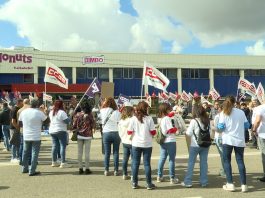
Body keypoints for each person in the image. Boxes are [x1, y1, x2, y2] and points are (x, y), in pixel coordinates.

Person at [217, 96, 249, 192]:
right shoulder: (241, 112)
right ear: (235, 102)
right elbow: (247, 126)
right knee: (240, 161)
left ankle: (230, 183)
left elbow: (220, 128)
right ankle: (244, 185)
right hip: (239, 140)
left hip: (227, 140)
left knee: (227, 161)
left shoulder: (223, 113)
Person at [127, 101, 156, 190]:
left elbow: (129, 132)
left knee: (135, 163)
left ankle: (134, 183)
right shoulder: (149, 119)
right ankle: (149, 183)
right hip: (147, 144)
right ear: (145, 108)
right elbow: (153, 132)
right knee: (147, 164)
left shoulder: (133, 119)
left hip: (136, 143)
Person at [182, 104, 210, 188]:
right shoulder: (207, 120)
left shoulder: (194, 121)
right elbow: (211, 132)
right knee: (204, 163)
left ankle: (188, 182)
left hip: (195, 144)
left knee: (191, 163)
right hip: (205, 144)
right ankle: (204, 181)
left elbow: (188, 133)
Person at [19, 99, 47, 176]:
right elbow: (47, 120)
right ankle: (32, 170)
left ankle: (24, 168)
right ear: (37, 105)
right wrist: (42, 111)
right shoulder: (39, 113)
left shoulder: (23, 112)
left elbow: (20, 123)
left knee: (25, 152)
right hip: (36, 136)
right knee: (34, 153)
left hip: (26, 135)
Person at [156, 103, 179, 184]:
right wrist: (176, 128)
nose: (170, 109)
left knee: (162, 158)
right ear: (166, 109)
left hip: (163, 141)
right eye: (169, 108)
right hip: (170, 140)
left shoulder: (161, 118)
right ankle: (172, 178)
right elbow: (170, 130)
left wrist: (173, 113)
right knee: (171, 160)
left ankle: (159, 176)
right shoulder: (167, 119)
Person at [72, 99, 95, 175]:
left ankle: (80, 168)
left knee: (79, 153)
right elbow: (93, 125)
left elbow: (74, 125)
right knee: (87, 153)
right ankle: (87, 168)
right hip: (88, 135)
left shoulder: (78, 115)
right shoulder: (90, 115)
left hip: (79, 135)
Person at [100, 97, 121, 176]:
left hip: (106, 133)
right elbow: (119, 121)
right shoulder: (117, 112)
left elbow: (100, 116)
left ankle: (106, 170)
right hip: (116, 132)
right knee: (116, 152)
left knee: (107, 153)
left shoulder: (102, 111)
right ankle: (116, 170)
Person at [49, 100, 71, 168]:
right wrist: (70, 117)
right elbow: (67, 122)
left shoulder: (51, 112)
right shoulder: (62, 112)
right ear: (61, 105)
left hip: (52, 130)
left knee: (54, 146)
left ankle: (54, 161)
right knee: (62, 146)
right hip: (60, 130)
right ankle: (63, 162)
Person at [118, 102, 134, 180]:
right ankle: (132, 175)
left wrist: (122, 138)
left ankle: (124, 174)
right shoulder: (132, 120)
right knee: (133, 159)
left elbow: (119, 132)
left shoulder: (121, 121)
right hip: (131, 141)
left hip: (124, 141)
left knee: (125, 159)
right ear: (130, 111)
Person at [252, 99, 265, 182]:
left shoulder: (261, 108)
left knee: (264, 155)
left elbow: (257, 120)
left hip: (263, 134)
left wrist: (254, 130)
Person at [213, 105, 226, 177]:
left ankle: (223, 170)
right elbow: (217, 128)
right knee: (224, 155)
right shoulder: (219, 116)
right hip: (221, 137)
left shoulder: (219, 116)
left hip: (220, 137)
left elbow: (217, 128)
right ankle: (223, 170)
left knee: (223, 155)